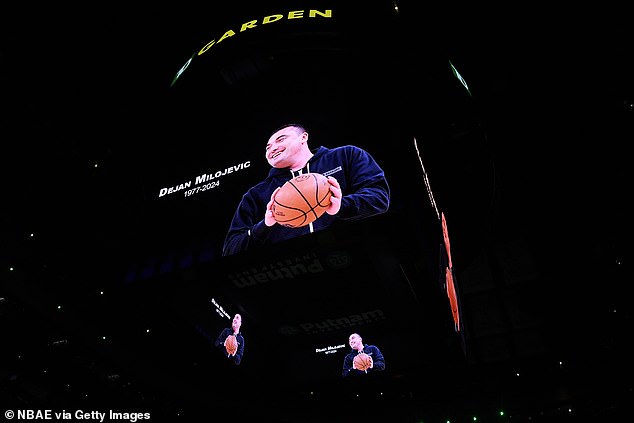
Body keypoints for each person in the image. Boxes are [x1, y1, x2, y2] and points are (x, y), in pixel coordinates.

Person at [222, 123, 390, 256]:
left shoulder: (347, 155)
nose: (272, 148)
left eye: (280, 140)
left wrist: (341, 206)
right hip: (293, 271)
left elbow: (380, 199)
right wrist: (265, 225)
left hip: (354, 256)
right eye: (268, 146)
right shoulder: (256, 194)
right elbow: (231, 249)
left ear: (303, 137)